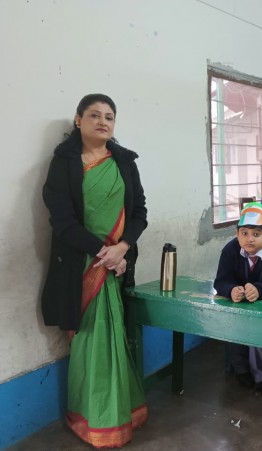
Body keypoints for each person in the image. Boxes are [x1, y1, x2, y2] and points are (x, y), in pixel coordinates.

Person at [41, 94, 148, 448]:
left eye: (109, 116)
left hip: (117, 264)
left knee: (115, 336)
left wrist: (123, 248)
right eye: (94, 115)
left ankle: (120, 411)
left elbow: (139, 212)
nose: (103, 121)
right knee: (90, 339)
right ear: (78, 120)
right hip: (82, 265)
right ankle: (93, 417)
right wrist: (105, 253)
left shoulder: (124, 162)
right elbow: (62, 221)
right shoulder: (64, 163)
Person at [213, 202, 262, 396]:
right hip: (237, 303)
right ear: (237, 234)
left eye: (256, 234)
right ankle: (241, 370)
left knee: (258, 335)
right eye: (244, 233)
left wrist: (259, 290)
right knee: (234, 329)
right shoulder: (230, 250)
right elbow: (221, 281)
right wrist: (231, 290)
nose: (249, 239)